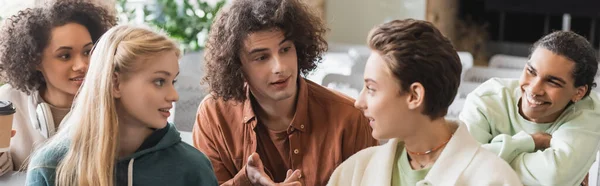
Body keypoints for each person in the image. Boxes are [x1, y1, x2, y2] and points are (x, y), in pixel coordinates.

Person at [193, 0, 378, 185]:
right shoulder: (214, 116)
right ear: (237, 67)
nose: (279, 67)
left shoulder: (350, 119)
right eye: (262, 57)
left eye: (285, 49)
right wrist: (244, 181)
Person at [328, 19, 522, 186]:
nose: (358, 102)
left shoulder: (493, 179)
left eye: (371, 89)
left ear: (414, 96)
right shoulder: (353, 173)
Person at [25, 24, 218, 186]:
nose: (174, 96)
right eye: (159, 81)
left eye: (172, 82)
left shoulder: (193, 169)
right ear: (115, 83)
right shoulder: (48, 168)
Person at [460, 30, 600, 185]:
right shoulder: (487, 99)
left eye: (552, 82)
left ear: (579, 93)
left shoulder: (589, 111)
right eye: (531, 71)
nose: (534, 89)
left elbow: (553, 177)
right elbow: (462, 167)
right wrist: (530, 141)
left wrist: (487, 161)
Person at [0, 0, 116, 175]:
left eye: (87, 52)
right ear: (36, 61)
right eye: (65, 56)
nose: (82, 65)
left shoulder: (114, 100)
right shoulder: (9, 101)